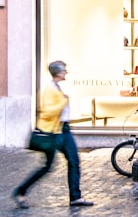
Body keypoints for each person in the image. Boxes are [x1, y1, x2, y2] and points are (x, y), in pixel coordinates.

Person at [13, 61, 94, 208]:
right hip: (56, 132)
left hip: (63, 130)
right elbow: (48, 111)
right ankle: (21, 191)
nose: (65, 73)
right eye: (64, 70)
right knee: (50, 166)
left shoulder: (55, 87)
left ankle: (75, 197)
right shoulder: (49, 89)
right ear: (57, 72)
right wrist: (63, 101)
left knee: (72, 162)